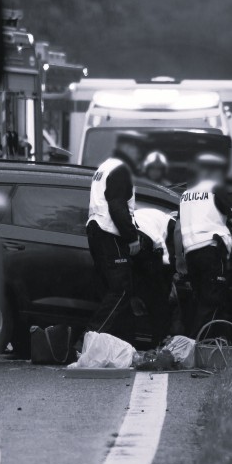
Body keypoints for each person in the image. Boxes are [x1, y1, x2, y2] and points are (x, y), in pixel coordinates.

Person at [177, 153, 232, 334]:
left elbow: (178, 230)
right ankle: (195, 348)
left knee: (200, 301)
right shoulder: (218, 190)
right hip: (212, 252)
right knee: (212, 302)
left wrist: (179, 258)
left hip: (191, 254)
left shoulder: (185, 196)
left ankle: (196, 345)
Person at [85, 134, 145, 339]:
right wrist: (132, 237)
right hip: (109, 232)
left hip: (95, 230)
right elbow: (117, 206)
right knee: (121, 290)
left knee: (111, 291)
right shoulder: (121, 169)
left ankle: (119, 344)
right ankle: (90, 339)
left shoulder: (105, 167)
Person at [131, 207, 178, 345]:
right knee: (159, 298)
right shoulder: (173, 226)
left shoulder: (152, 215)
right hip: (147, 240)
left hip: (128, 235)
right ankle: (160, 341)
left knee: (142, 288)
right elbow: (167, 260)